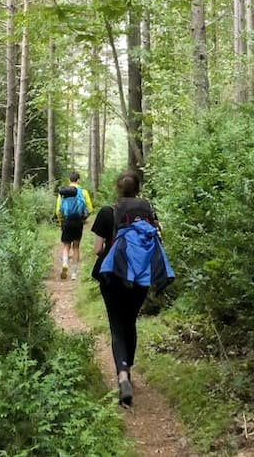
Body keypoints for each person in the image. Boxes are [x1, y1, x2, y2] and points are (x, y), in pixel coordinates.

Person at [90, 170, 160, 408]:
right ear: (138, 189)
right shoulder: (148, 211)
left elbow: (98, 250)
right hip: (140, 277)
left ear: (117, 189)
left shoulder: (108, 212)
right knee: (130, 322)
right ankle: (127, 368)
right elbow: (158, 238)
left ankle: (122, 376)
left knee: (117, 325)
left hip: (113, 277)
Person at [54, 172, 92, 280]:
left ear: (69, 180)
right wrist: (84, 218)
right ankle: (74, 273)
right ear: (78, 180)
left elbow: (58, 211)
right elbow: (90, 209)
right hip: (78, 221)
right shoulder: (83, 192)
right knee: (76, 247)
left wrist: (61, 222)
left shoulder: (63, 192)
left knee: (66, 245)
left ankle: (65, 263)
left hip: (66, 221)